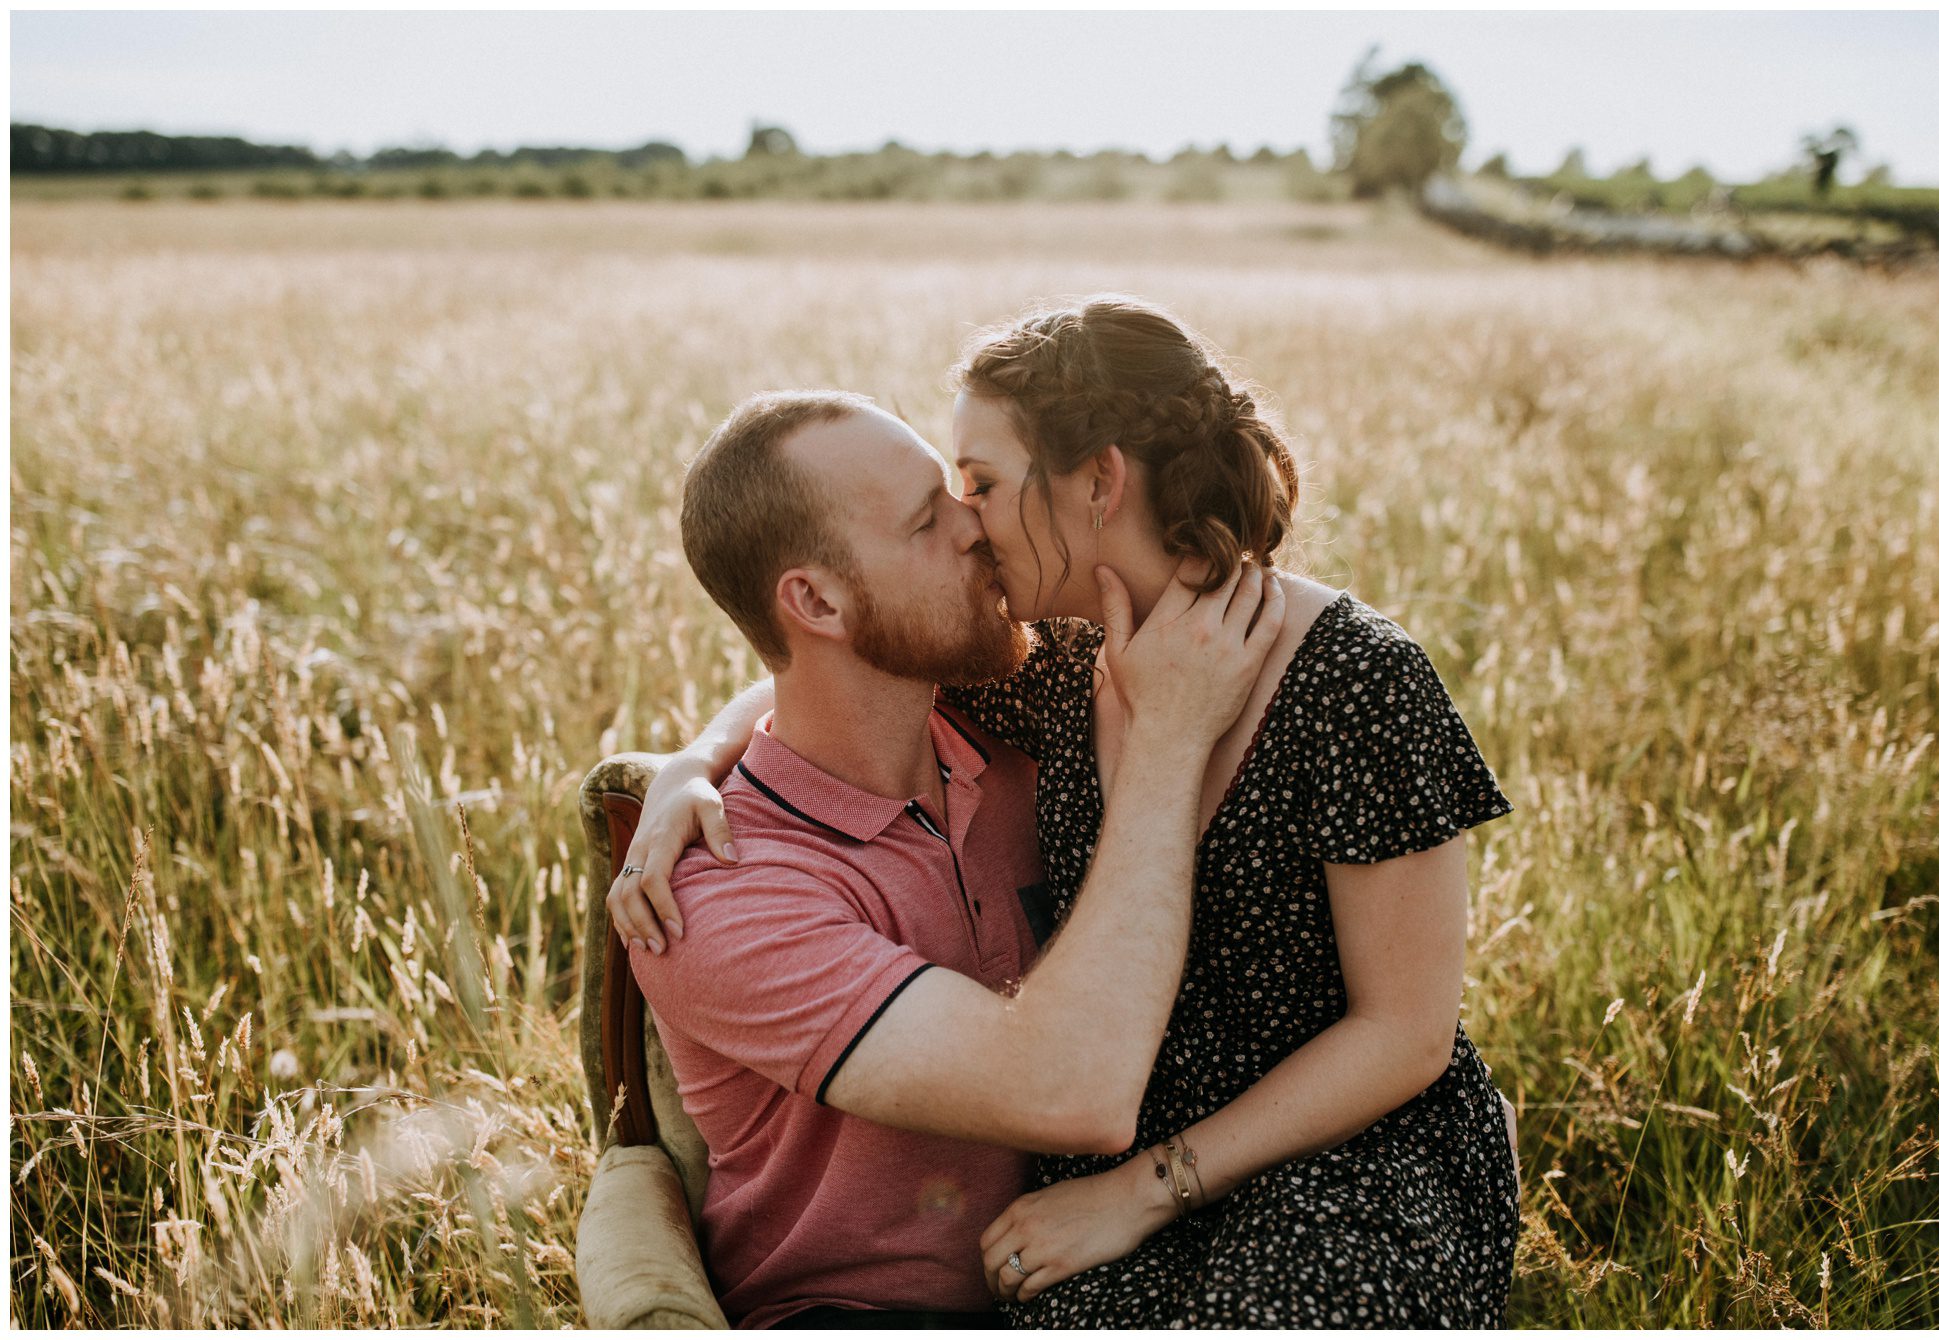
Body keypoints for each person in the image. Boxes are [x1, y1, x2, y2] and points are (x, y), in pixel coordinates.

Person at [618, 295, 1520, 1327]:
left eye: (981, 486)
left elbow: (1406, 1030)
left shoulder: (1348, 677)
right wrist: (688, 763)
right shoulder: (1047, 678)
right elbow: (836, 680)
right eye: (944, 505)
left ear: (1099, 480)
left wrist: (1145, 1189)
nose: (970, 525)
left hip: (1317, 1170)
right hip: (1063, 1207)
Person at [619, 388, 1286, 1328]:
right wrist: (1169, 748)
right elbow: (1074, 1092)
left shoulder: (1013, 724)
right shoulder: (719, 894)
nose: (977, 528)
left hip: (1098, 1281)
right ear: (816, 599)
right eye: (928, 521)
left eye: (961, 492)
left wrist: (697, 750)